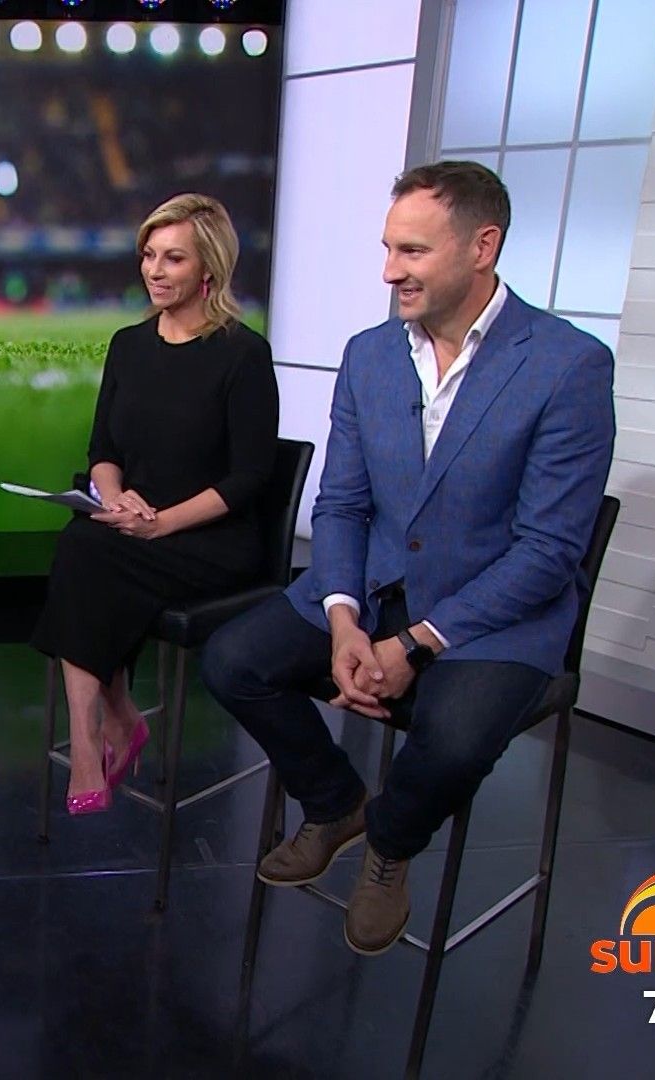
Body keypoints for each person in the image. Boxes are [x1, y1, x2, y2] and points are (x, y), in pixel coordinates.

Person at [199, 161, 615, 954]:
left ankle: (389, 843)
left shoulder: (568, 366)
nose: (390, 272)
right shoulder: (370, 355)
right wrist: (344, 620)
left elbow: (549, 550)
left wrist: (416, 644)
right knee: (233, 660)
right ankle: (336, 804)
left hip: (493, 611)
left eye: (413, 251)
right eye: (388, 249)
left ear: (482, 247)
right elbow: (343, 505)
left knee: (454, 741)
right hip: (373, 585)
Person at [31, 193, 281, 815]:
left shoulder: (243, 354)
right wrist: (115, 498)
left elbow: (250, 477)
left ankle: (100, 735)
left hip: (211, 538)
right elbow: (103, 451)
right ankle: (108, 722)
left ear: (209, 268)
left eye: (173, 258)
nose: (154, 270)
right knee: (87, 542)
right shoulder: (128, 345)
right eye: (148, 255)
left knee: (84, 552)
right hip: (132, 527)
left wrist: (162, 523)